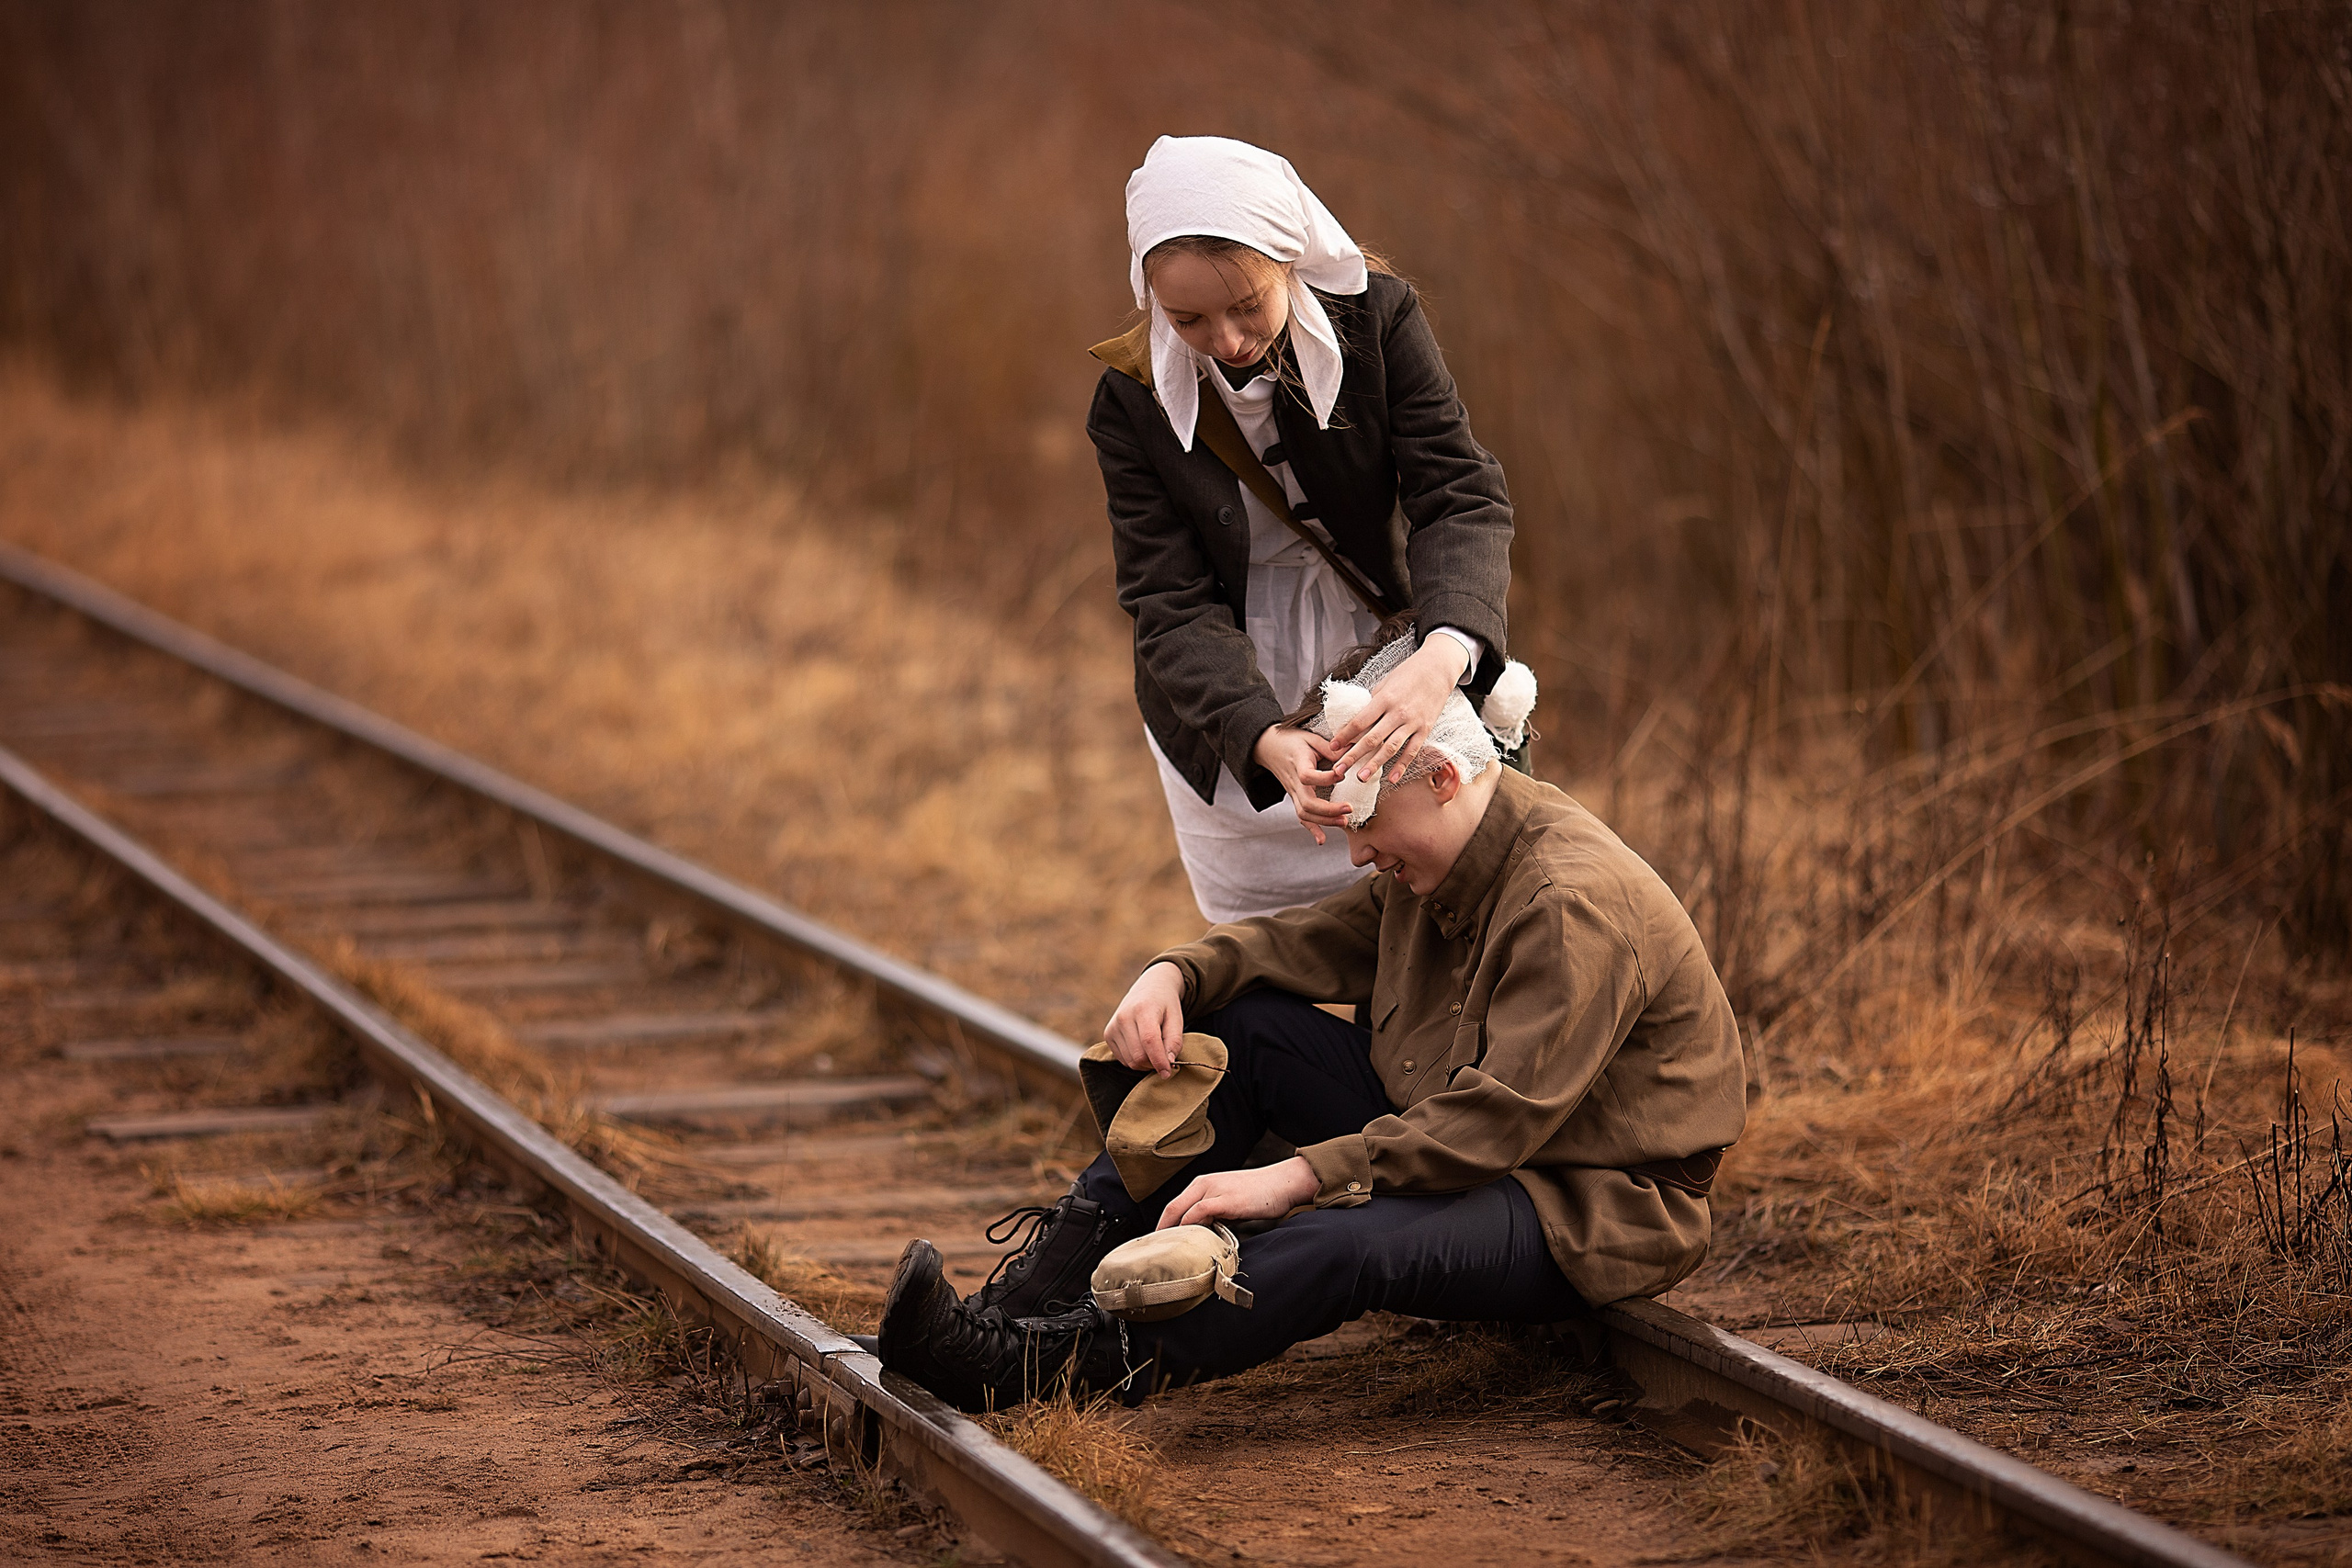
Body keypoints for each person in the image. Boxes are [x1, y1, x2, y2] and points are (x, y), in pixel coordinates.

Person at [877, 634, 1747, 1413]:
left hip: (1585, 1195)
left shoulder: (1571, 904)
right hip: (1461, 1132)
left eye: (1365, 823)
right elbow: (1300, 941)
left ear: (1442, 777)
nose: (1358, 851)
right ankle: (1019, 1309)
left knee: (1337, 1235)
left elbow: (1492, 1124)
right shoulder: (1442, 855)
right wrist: (1173, 970)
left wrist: (1294, 1176)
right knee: (1248, 1031)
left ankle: (1049, 1368)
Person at [1092, 133, 1516, 926]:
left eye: (1247, 304)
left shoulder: (1379, 324)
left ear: (1288, 257)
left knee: (1438, 914)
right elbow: (1168, 600)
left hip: (1390, 656)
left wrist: (1442, 655)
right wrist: (1262, 738)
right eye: (1187, 319)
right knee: (1266, 948)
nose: (1226, 340)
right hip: (1227, 697)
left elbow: (1460, 494)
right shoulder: (1128, 402)